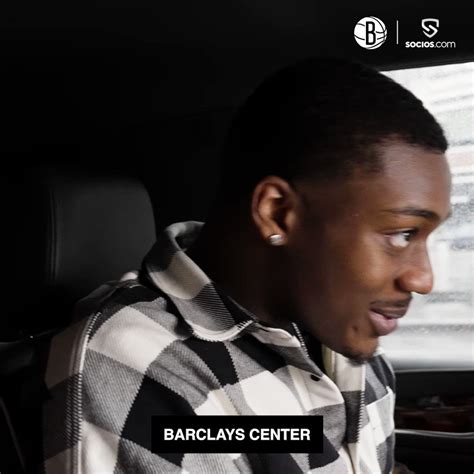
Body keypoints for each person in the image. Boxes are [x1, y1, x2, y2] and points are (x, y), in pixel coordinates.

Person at [40, 57, 451, 473]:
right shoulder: (140, 366)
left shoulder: (336, 327)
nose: (423, 279)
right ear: (278, 213)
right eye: (401, 234)